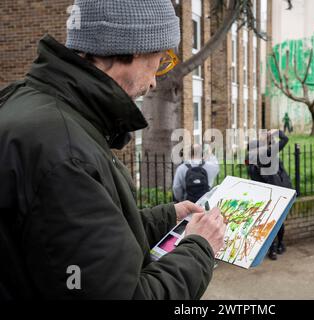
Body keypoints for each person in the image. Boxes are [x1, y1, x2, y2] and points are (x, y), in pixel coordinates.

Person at [0, 0, 226, 299]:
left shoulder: (28, 105)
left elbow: (81, 248)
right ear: (133, 48)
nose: (155, 81)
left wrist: (166, 217)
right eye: (161, 58)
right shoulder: (65, 153)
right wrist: (200, 246)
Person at [247, 130, 293, 260]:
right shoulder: (266, 156)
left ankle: (273, 248)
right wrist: (276, 132)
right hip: (276, 192)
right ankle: (277, 247)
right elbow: (284, 140)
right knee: (278, 221)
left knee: (269, 221)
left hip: (263, 194)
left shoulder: (251, 161)